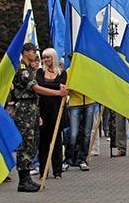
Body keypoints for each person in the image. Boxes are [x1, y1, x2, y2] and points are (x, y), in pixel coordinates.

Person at [13, 43, 67, 192]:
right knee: (25, 144)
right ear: (25, 52)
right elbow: (35, 88)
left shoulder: (30, 69)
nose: (35, 55)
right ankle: (23, 180)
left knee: (32, 143)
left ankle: (27, 178)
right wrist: (57, 93)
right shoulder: (23, 69)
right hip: (25, 110)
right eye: (32, 52)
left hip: (32, 109)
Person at [36, 48, 67, 179]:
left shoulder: (62, 73)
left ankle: (57, 170)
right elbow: (39, 85)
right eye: (44, 57)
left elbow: (63, 86)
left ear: (53, 58)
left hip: (57, 109)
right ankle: (43, 171)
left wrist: (46, 88)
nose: (46, 60)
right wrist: (56, 89)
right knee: (43, 142)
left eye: (48, 57)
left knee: (57, 140)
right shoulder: (40, 72)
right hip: (43, 109)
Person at [65, 89, 95, 171]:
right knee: (73, 134)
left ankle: (82, 159)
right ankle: (68, 159)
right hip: (75, 102)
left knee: (86, 134)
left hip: (89, 102)